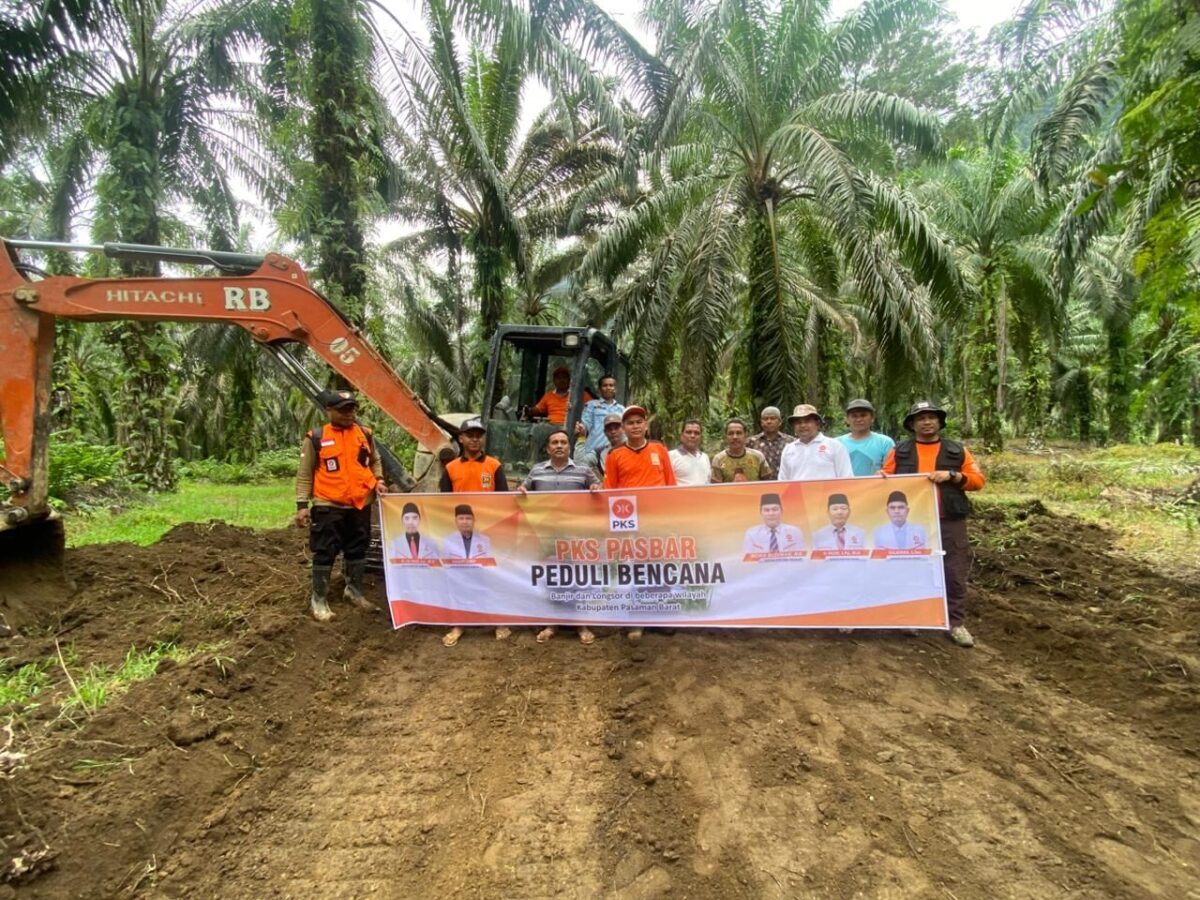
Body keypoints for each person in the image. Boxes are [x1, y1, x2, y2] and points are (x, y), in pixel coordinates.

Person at [881, 401, 985, 648]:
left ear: (939, 422)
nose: (926, 422)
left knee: (954, 571)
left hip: (948, 519)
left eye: (931, 417)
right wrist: (881, 478)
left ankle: (956, 623)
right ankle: (913, 616)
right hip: (912, 521)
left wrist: (953, 476)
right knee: (910, 568)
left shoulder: (956, 451)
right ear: (912, 424)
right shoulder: (900, 451)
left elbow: (978, 481)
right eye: (920, 418)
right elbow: (885, 477)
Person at [294, 389, 385, 622]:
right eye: (344, 410)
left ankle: (354, 591)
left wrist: (379, 481)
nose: (349, 414)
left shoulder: (365, 434)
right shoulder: (315, 437)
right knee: (325, 550)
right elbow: (305, 474)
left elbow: (375, 461)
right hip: (329, 503)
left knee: (357, 548)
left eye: (352, 409)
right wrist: (302, 505)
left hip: (360, 503)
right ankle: (319, 599)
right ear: (329, 411)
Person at [520, 428, 601, 644]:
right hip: (546, 537)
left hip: (575, 536)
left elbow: (598, 488)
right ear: (547, 448)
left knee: (576, 578)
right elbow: (523, 489)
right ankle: (551, 623)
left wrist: (595, 487)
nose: (559, 446)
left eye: (563, 442)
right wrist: (522, 490)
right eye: (554, 442)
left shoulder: (583, 470)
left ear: (570, 447)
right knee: (551, 577)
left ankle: (580, 625)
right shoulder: (536, 471)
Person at [604, 405, 676, 641]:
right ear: (623, 428)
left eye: (639, 422)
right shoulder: (615, 456)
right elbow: (609, 491)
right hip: (629, 523)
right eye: (630, 422)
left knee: (661, 568)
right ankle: (636, 620)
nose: (635, 426)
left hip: (658, 521)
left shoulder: (659, 450)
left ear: (646, 425)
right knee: (635, 569)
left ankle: (661, 617)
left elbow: (670, 485)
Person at [441, 416, 510, 646]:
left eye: (478, 435)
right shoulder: (450, 468)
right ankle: (459, 624)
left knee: (492, 578)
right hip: (459, 534)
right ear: (460, 438)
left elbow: (504, 501)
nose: (474, 439)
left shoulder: (494, 465)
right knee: (459, 578)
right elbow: (441, 503)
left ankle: (499, 622)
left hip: (488, 533)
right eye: (469, 435)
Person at [776, 405, 853, 481]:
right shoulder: (788, 449)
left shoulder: (835, 446)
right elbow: (783, 482)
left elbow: (846, 478)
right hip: (797, 493)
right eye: (798, 422)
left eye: (807, 421)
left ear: (817, 423)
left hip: (827, 493)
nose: (802, 425)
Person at [837, 399, 895, 477]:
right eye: (854, 416)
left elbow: (891, 471)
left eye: (863, 415)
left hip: (875, 488)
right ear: (847, 419)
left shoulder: (885, 443)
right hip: (843, 488)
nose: (859, 419)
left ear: (872, 418)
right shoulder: (837, 443)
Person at [579, 374, 624, 453]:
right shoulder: (591, 405)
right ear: (599, 389)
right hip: (594, 450)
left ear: (615, 389)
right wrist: (581, 429)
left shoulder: (621, 409)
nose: (608, 388)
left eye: (611, 385)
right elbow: (585, 425)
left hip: (616, 451)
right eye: (605, 385)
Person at [746, 406, 794, 480]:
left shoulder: (790, 442)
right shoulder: (751, 442)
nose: (769, 421)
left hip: (784, 485)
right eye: (765, 419)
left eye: (773, 418)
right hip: (759, 486)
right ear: (761, 422)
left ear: (780, 422)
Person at [669, 419, 712, 486]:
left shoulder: (705, 457)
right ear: (681, 435)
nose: (692, 436)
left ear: (701, 437)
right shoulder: (671, 456)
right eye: (689, 432)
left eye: (697, 433)